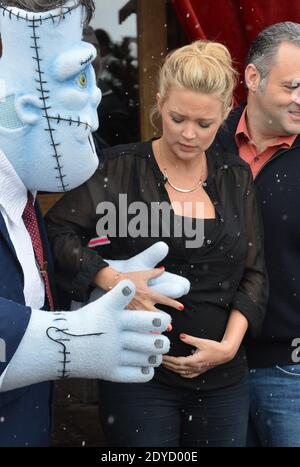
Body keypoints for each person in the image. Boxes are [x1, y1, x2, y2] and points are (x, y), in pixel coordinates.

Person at [46, 40, 268, 447]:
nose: (188, 134)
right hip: (136, 372)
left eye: (204, 124)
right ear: (160, 102)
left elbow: (254, 272)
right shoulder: (119, 168)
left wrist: (227, 347)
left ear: (224, 116)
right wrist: (113, 278)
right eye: (177, 117)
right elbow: (56, 231)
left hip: (223, 381)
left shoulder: (235, 177)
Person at [0, 0, 178, 447]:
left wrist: (104, 296)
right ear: (20, 105)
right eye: (80, 78)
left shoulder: (23, 200)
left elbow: (25, 297)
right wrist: (68, 343)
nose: (98, 94)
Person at [212, 21, 300, 447]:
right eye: (291, 86)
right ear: (252, 77)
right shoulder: (203, 141)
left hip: (291, 372)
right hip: (205, 368)